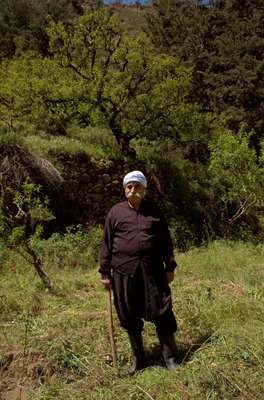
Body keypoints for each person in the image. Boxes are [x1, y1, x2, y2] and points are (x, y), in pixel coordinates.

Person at [99, 170, 179, 373]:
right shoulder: (115, 213)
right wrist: (105, 273)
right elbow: (106, 244)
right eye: (129, 186)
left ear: (144, 189)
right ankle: (139, 360)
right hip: (124, 272)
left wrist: (169, 266)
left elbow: (165, 242)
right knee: (128, 314)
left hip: (153, 271)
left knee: (162, 309)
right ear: (125, 189)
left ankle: (170, 359)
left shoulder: (154, 211)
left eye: (137, 186)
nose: (132, 189)